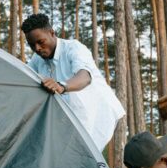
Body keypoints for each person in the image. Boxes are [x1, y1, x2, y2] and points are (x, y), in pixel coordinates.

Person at [21, 13, 124, 150]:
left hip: (97, 115)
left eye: (40, 42)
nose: (37, 48)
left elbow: (85, 77)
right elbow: (25, 78)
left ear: (52, 33)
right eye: (32, 45)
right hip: (70, 120)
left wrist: (61, 86)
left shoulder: (74, 48)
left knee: (86, 160)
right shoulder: (37, 59)